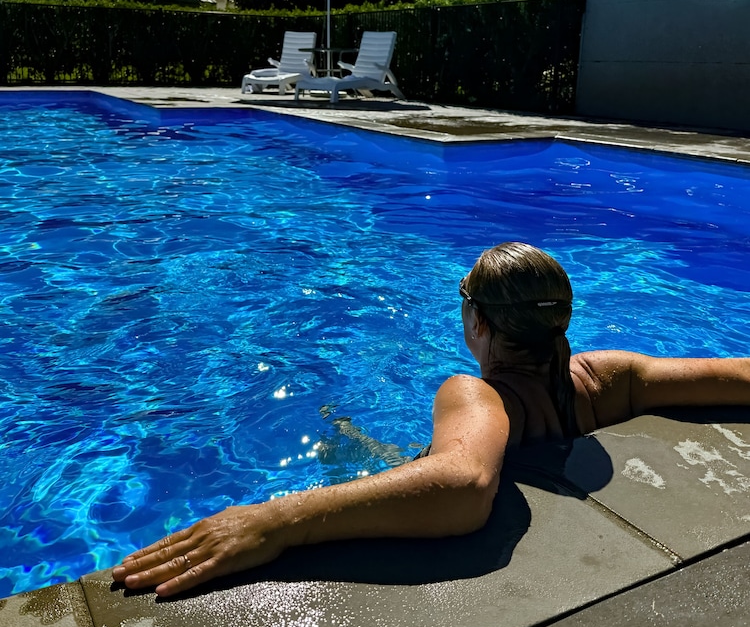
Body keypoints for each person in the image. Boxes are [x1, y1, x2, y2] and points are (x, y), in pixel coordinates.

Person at [113, 241, 750, 597]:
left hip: (446, 477)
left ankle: (343, 436)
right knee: (358, 439)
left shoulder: (473, 395)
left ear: (477, 321)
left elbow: (462, 483)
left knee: (350, 445)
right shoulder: (614, 376)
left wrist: (275, 521)